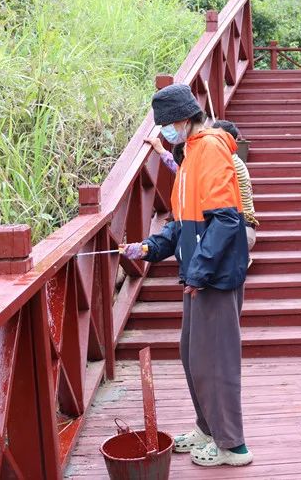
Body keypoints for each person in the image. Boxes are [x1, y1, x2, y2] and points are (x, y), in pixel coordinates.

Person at [122, 84, 252, 467]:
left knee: (215, 360)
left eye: (166, 125)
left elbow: (226, 220)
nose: (165, 132)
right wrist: (148, 248)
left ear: (181, 119)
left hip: (214, 276)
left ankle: (233, 445)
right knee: (192, 354)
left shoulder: (210, 147)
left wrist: (198, 273)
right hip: (199, 275)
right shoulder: (190, 153)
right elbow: (181, 226)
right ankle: (207, 428)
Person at [212, 119, 259, 255]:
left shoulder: (226, 161)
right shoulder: (231, 158)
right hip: (244, 228)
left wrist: (163, 153)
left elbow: (190, 174)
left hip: (240, 231)